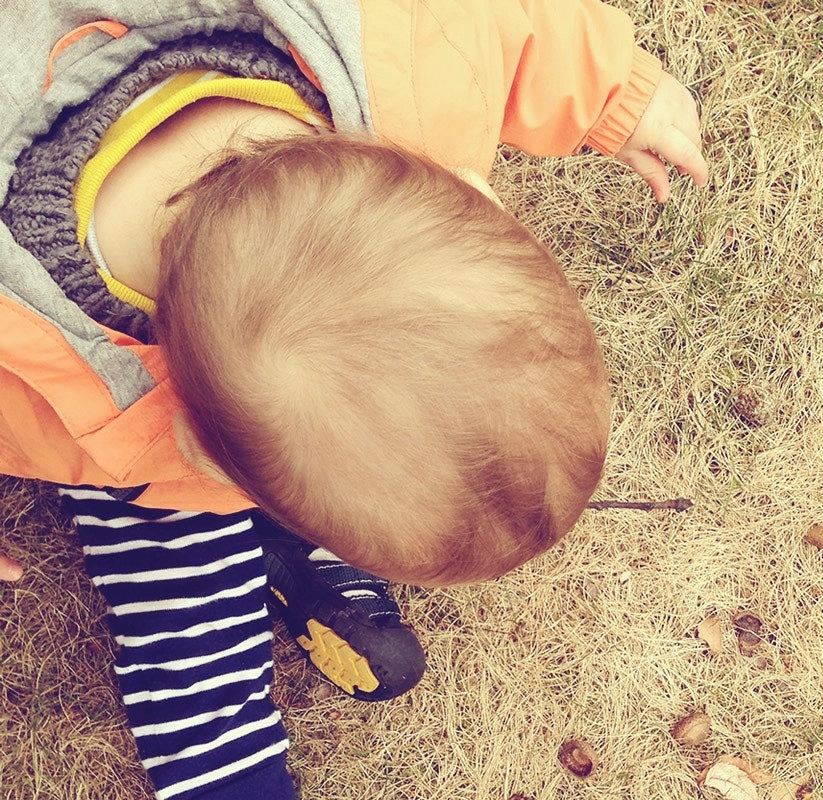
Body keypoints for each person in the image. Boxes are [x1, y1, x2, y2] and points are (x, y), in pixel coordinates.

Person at [0, 1, 708, 798]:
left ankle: (309, 531)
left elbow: (500, 24)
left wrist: (613, 89)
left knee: (339, 438)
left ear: (471, 188)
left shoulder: (405, 53)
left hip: (231, 412)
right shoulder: (24, 344)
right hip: (112, 446)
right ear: (198, 451)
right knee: (180, 596)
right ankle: (234, 753)